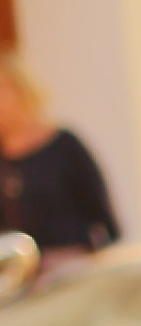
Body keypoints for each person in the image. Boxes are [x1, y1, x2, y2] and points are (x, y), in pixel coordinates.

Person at [0, 49, 119, 265]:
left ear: (22, 90)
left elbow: (102, 214)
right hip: (23, 279)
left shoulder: (64, 146)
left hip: (73, 267)